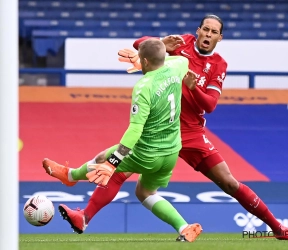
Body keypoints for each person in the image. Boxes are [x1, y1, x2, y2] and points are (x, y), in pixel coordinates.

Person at [43, 15, 288, 240]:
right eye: (205, 29)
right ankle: (81, 205)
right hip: (161, 129)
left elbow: (211, 105)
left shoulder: (218, 64)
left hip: (191, 132)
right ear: (198, 31)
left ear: (220, 38)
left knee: (229, 183)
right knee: (117, 171)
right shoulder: (181, 44)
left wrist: (194, 88)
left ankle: (277, 228)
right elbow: (142, 45)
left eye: (213, 32)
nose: (207, 34)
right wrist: (163, 41)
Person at [43, 38, 203, 242]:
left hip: (147, 152)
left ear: (144, 61)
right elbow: (174, 60)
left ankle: (71, 176)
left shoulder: (144, 86)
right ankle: (184, 227)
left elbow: (135, 130)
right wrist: (157, 50)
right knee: (145, 192)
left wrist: (113, 162)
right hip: (171, 152)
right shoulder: (179, 65)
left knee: (103, 160)